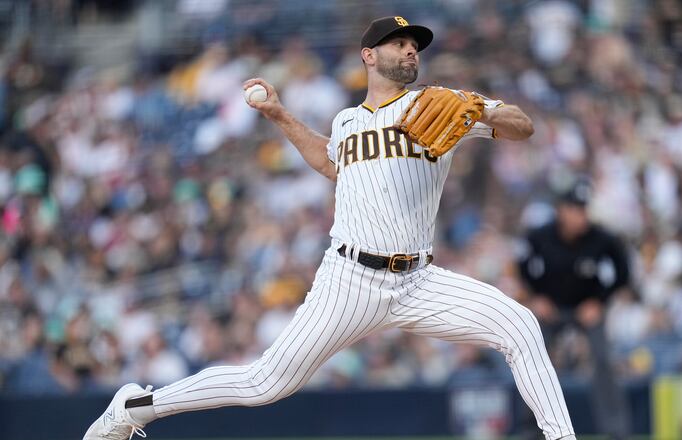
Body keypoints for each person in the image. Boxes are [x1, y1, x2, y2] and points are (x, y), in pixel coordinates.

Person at [84, 16, 576, 440]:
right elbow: (331, 160)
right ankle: (133, 409)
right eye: (399, 43)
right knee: (263, 385)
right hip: (350, 280)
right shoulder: (346, 122)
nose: (410, 49)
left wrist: (485, 110)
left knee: (520, 325)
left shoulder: (440, 102)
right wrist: (279, 114)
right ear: (369, 55)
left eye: (415, 46)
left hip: (419, 280)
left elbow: (522, 126)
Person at [517, 178, 630, 439]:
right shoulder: (540, 236)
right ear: (561, 210)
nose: (581, 214)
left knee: (603, 360)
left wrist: (600, 302)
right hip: (552, 308)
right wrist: (537, 296)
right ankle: (530, 430)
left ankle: (616, 431)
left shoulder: (602, 239)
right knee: (530, 356)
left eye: (583, 208)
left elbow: (623, 273)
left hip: (587, 310)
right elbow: (522, 266)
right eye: (575, 208)